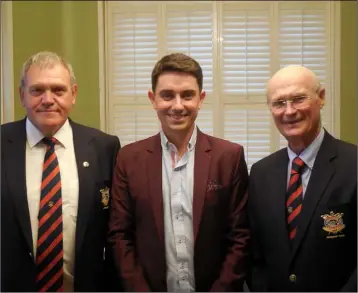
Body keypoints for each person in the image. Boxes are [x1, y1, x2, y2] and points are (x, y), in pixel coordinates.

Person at [108, 53, 250, 292]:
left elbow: (240, 237)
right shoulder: (129, 159)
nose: (177, 105)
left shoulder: (229, 157)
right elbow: (120, 236)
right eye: (167, 95)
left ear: (201, 99)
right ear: (153, 99)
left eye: (187, 95)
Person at [1, 51, 121, 292]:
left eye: (58, 90)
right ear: (21, 95)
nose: (48, 99)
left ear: (73, 94)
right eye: (37, 90)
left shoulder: (104, 147)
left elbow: (116, 229)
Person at [247, 65, 357, 291]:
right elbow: (255, 256)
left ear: (321, 98)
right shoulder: (260, 173)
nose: (289, 111)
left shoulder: (353, 164)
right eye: (279, 103)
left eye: (298, 98)